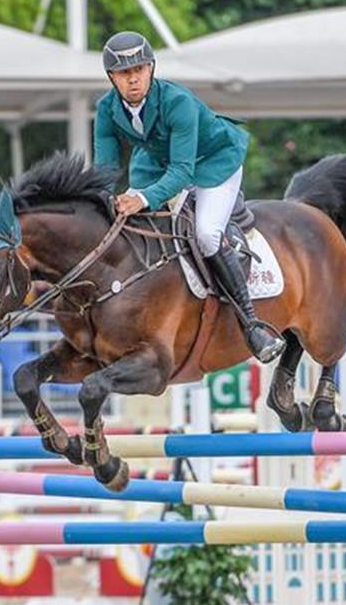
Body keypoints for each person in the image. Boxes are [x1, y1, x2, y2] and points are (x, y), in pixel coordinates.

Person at [93, 31, 284, 362]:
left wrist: (141, 199)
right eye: (124, 73)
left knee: (206, 234)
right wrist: (102, 203)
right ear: (112, 77)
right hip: (156, 164)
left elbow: (182, 173)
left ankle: (252, 324)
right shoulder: (107, 109)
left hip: (212, 163)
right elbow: (104, 172)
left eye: (139, 69)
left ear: (151, 68)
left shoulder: (177, 101)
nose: (133, 78)